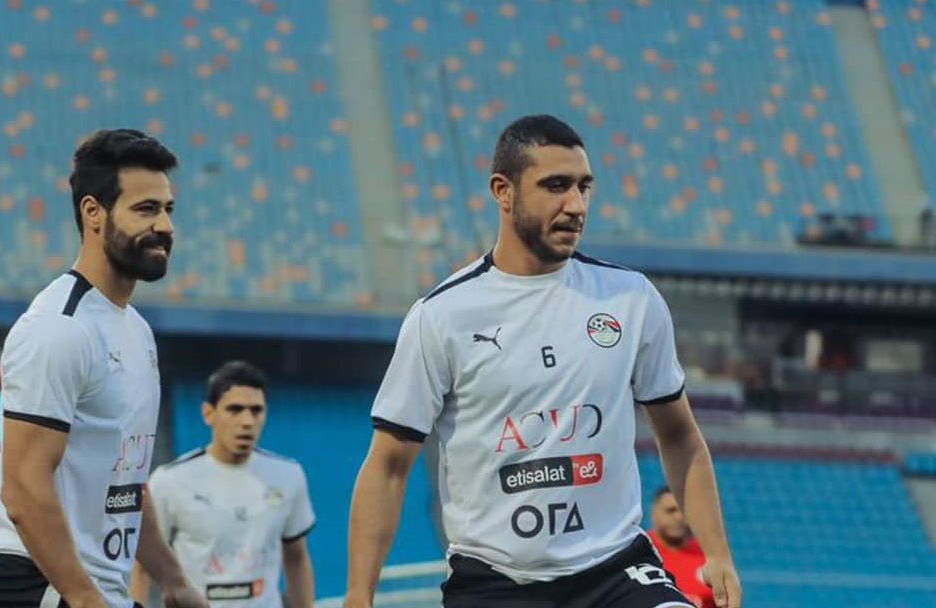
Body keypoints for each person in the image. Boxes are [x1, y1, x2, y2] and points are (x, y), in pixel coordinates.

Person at [344, 115, 741, 608]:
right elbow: (387, 466)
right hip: (494, 583)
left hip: (614, 570)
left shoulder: (631, 299)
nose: (576, 205)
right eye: (556, 186)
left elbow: (679, 434)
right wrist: (359, 595)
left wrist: (717, 553)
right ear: (503, 191)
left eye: (583, 187)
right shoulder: (441, 317)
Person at [0, 129, 206, 608]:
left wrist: (175, 580)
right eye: (145, 209)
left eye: (168, 209)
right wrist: (84, 598)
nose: (164, 226)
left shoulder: (136, 331)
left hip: (88, 589)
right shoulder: (58, 328)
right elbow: (23, 490)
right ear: (93, 212)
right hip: (35, 587)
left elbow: (125, 485)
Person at [132, 360, 316, 608]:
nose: (247, 421)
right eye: (235, 409)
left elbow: (296, 558)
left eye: (256, 410)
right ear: (208, 413)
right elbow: (142, 567)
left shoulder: (288, 475)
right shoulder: (169, 480)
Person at [649, 487, 716, 608]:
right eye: (671, 511)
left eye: (684, 511)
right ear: (654, 513)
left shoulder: (709, 556)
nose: (679, 517)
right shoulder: (639, 551)